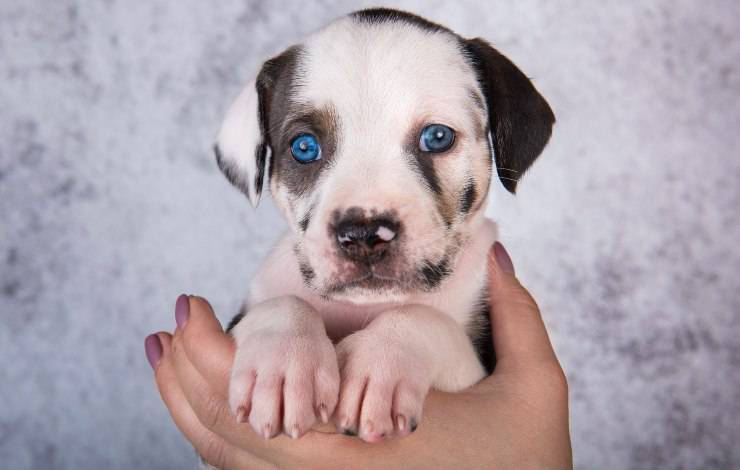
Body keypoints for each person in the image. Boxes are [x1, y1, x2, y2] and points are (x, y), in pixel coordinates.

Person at [144, 242, 573, 469]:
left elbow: (477, 396)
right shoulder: (280, 281)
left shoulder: (460, 286)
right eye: (306, 148)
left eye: (436, 140)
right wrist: (277, 326)